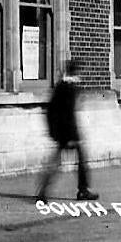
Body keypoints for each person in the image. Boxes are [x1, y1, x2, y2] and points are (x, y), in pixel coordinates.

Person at [37, 60, 98, 201]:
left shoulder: (60, 86)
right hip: (69, 133)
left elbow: (51, 111)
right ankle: (82, 191)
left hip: (61, 132)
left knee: (59, 163)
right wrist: (72, 137)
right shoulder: (70, 88)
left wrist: (54, 132)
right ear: (76, 72)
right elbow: (68, 114)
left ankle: (43, 191)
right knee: (78, 162)